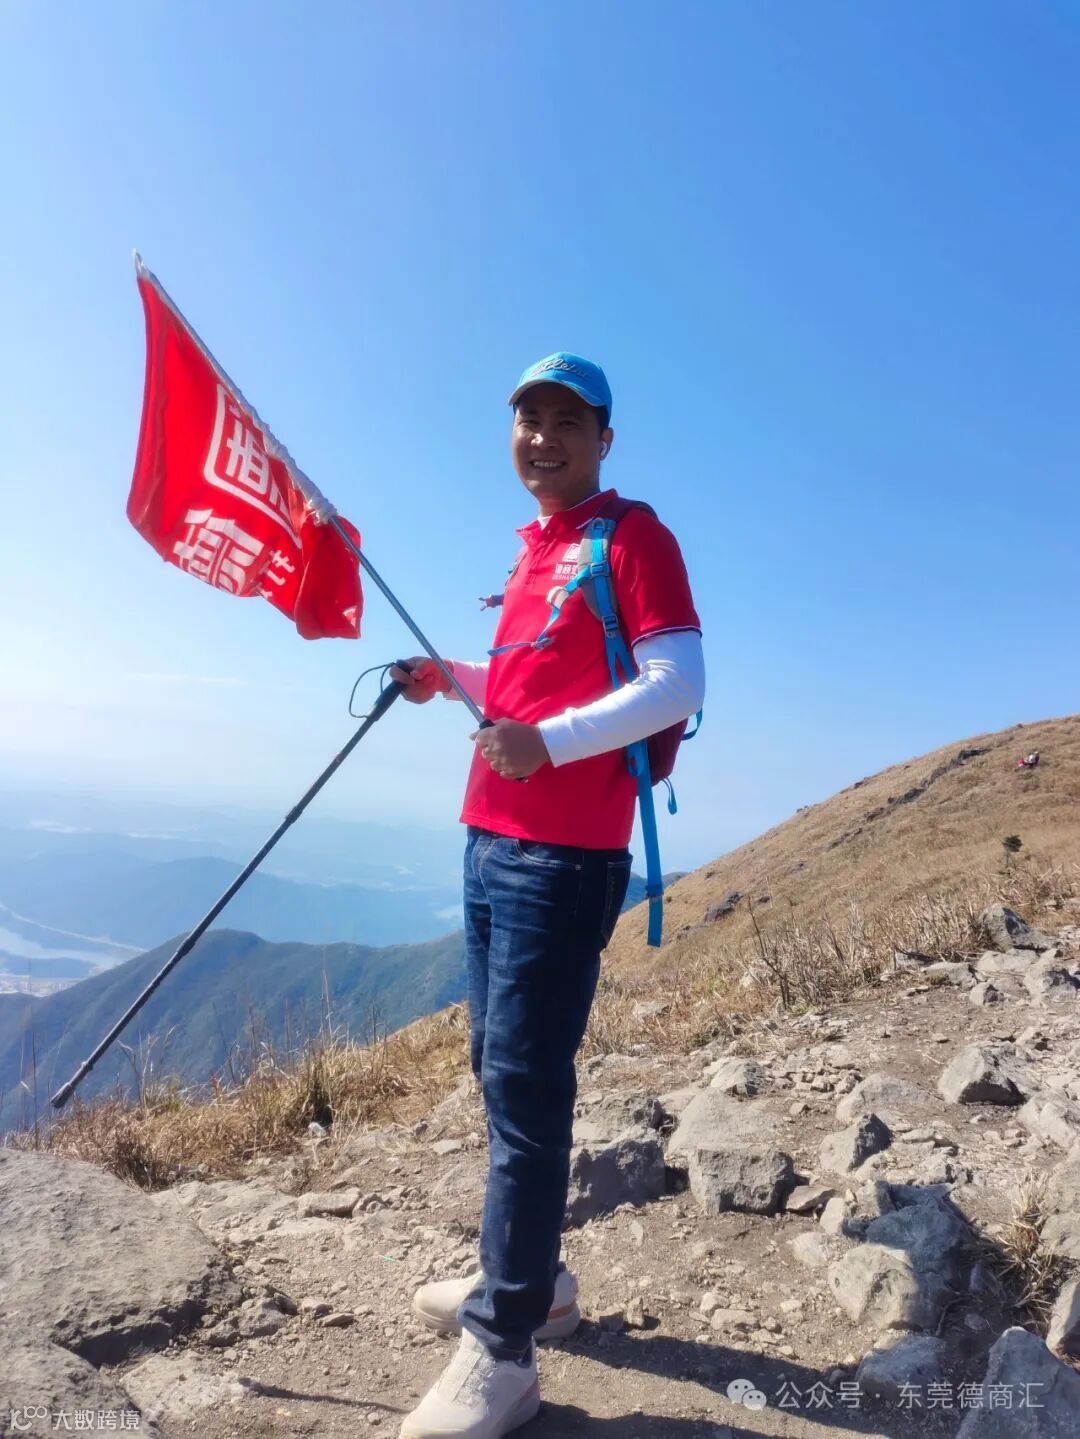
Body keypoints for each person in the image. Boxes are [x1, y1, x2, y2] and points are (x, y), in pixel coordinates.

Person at [391, 353, 704, 1438]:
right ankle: (538, 1283)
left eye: (567, 420)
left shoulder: (633, 536)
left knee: (526, 1086)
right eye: (527, 418)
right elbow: (524, 696)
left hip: (562, 856)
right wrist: (452, 680)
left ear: (604, 439)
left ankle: (505, 1345)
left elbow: (678, 680)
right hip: (491, 837)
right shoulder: (539, 547)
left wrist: (550, 743)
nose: (543, 436)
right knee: (499, 1065)